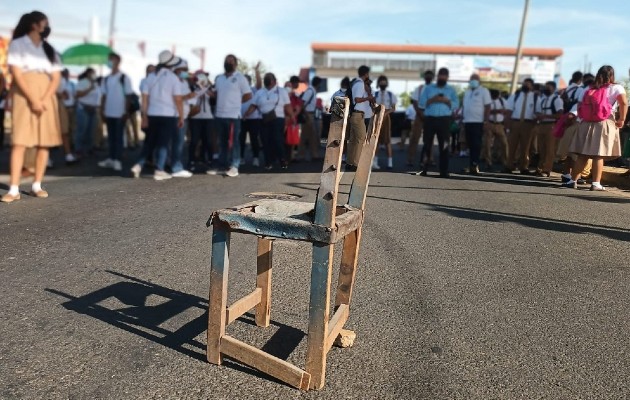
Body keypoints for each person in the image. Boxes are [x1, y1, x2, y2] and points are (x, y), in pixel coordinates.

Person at [2, 11, 62, 203]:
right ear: (34, 24)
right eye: (44, 21)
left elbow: (56, 77)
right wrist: (33, 99)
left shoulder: (49, 49)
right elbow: (17, 74)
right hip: (24, 93)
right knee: (19, 142)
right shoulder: (18, 44)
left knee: (44, 142)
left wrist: (44, 99)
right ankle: (13, 188)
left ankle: (37, 184)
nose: (46, 25)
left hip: (46, 94)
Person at [562, 65, 627, 191]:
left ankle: (573, 180)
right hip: (605, 121)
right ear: (612, 75)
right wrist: (622, 119)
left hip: (587, 122)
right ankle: (596, 183)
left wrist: (582, 118)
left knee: (583, 154)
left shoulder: (589, 88)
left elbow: (580, 104)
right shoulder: (616, 88)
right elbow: (623, 102)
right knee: (598, 155)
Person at [131, 50, 184, 180]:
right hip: (168, 115)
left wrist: (144, 116)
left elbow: (144, 98)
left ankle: (138, 165)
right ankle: (159, 170)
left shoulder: (150, 77)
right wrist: (181, 116)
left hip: (152, 114)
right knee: (163, 144)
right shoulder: (173, 78)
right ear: (171, 64)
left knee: (149, 142)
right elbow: (178, 99)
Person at [207, 54, 252, 177]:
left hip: (233, 115)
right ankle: (222, 165)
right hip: (220, 115)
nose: (229, 63)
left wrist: (237, 103)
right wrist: (210, 93)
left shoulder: (240, 78)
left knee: (234, 142)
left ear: (236, 64)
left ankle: (234, 166)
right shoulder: (219, 78)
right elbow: (217, 95)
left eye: (231, 61)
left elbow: (249, 95)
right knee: (222, 141)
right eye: (227, 61)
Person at [245, 72, 292, 169]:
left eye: (269, 78)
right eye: (266, 78)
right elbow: (253, 105)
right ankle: (268, 162)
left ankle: (283, 160)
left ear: (274, 81)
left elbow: (287, 106)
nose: (266, 80)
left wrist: (292, 116)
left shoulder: (282, 91)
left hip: (278, 119)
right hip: (264, 119)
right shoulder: (260, 92)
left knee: (278, 140)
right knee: (265, 141)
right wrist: (246, 114)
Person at [418, 67, 459, 177]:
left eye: (444, 76)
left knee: (444, 145)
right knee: (427, 144)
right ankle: (423, 169)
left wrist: (447, 101)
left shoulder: (451, 90)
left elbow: (457, 104)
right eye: (440, 75)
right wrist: (433, 99)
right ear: (438, 76)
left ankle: (444, 171)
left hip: (445, 120)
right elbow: (421, 104)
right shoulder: (428, 88)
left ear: (447, 77)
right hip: (430, 119)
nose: (442, 77)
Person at [99, 52, 133, 172]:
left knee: (118, 137)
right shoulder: (106, 78)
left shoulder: (124, 78)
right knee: (111, 137)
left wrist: (126, 111)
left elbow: (129, 96)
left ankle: (117, 160)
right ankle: (111, 158)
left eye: (111, 60)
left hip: (119, 112)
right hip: (109, 112)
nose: (109, 62)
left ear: (118, 61)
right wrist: (102, 110)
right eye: (108, 60)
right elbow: (103, 95)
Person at [505, 78, 537, 174]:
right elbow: (509, 110)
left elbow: (538, 112)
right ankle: (509, 166)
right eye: (524, 84)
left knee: (525, 147)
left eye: (528, 84)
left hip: (528, 124)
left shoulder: (535, 98)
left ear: (531, 86)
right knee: (512, 145)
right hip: (515, 123)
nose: (525, 85)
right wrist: (507, 123)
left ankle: (523, 167)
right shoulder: (515, 96)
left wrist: (534, 125)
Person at [346, 65, 374, 172]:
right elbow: (357, 99)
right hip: (358, 115)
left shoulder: (356, 83)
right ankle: (355, 163)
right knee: (361, 138)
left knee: (353, 140)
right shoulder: (360, 84)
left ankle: (350, 162)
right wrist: (368, 98)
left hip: (355, 114)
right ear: (366, 74)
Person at [461, 73, 491, 174]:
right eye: (471, 79)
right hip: (467, 122)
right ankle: (471, 165)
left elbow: (487, 106)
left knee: (476, 144)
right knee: (470, 144)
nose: (473, 81)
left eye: (475, 79)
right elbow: (464, 107)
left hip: (478, 122)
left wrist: (486, 121)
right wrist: (462, 120)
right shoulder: (467, 92)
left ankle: (475, 165)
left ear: (479, 81)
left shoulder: (483, 91)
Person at [170, 58, 195, 178]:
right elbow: (175, 98)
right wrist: (188, 96)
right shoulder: (173, 81)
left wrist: (191, 96)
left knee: (178, 143)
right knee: (177, 143)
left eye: (186, 70)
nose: (185, 72)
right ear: (176, 69)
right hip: (176, 116)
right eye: (183, 69)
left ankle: (173, 164)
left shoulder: (184, 82)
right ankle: (176, 167)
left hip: (184, 115)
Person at [533, 81, 564, 177]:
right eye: (546, 87)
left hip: (551, 125)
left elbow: (560, 114)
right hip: (541, 125)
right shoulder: (542, 99)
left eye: (549, 87)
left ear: (554, 89)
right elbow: (538, 112)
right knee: (541, 148)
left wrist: (545, 116)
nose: (546, 89)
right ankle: (540, 167)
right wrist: (538, 116)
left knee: (550, 148)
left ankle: (546, 169)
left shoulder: (557, 100)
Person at [188, 71, 214, 172]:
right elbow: (191, 99)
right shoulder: (193, 89)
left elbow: (212, 96)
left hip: (208, 118)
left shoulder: (209, 89)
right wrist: (198, 88)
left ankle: (209, 160)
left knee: (208, 141)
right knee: (194, 140)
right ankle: (191, 161)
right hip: (195, 118)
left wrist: (204, 88)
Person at [408, 70, 434, 166]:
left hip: (431, 115)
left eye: (430, 76)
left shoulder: (435, 89)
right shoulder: (419, 88)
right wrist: (419, 113)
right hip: (419, 114)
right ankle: (410, 159)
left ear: (432, 77)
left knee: (429, 139)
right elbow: (415, 101)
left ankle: (430, 159)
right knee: (414, 138)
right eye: (427, 76)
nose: (428, 77)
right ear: (424, 77)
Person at [74, 67, 101, 157]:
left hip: (93, 109)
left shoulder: (96, 84)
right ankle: (78, 149)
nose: (94, 75)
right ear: (88, 73)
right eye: (92, 73)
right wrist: (89, 89)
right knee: (82, 130)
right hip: (83, 108)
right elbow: (77, 94)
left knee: (91, 130)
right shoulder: (82, 82)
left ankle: (90, 148)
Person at [240, 66, 262, 167]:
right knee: (241, 139)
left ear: (249, 81)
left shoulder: (254, 89)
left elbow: (259, 83)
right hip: (241, 119)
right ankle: (241, 158)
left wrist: (256, 71)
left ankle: (256, 158)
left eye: (246, 80)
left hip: (253, 119)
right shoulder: (238, 90)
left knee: (254, 139)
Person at [373, 75, 397, 170]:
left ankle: (390, 162)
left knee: (387, 141)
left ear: (387, 83)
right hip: (377, 117)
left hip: (386, 117)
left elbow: (394, 108)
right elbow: (372, 106)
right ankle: (375, 161)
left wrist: (386, 112)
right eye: (381, 82)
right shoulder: (375, 94)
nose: (383, 84)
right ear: (378, 83)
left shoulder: (391, 95)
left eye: (384, 82)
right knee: (376, 140)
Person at [482, 89, 508, 169]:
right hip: (489, 123)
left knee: (504, 143)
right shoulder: (486, 101)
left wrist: (504, 113)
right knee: (487, 144)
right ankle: (488, 162)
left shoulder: (502, 101)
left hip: (500, 124)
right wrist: (496, 111)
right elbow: (484, 112)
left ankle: (505, 161)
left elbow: (507, 110)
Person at [297, 76, 321, 161]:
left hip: (310, 115)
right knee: (307, 136)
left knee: (310, 136)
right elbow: (303, 103)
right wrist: (307, 115)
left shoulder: (311, 91)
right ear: (318, 84)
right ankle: (305, 155)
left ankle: (311, 155)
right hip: (308, 115)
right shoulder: (310, 91)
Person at [56, 68, 77, 163]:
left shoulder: (63, 81)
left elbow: (62, 93)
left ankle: (68, 154)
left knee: (65, 131)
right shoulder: (59, 80)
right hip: (58, 106)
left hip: (63, 106)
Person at [0, 71, 7, 150]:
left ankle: (1, 142)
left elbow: (3, 85)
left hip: (0, 102)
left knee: (1, 123)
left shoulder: (1, 73)